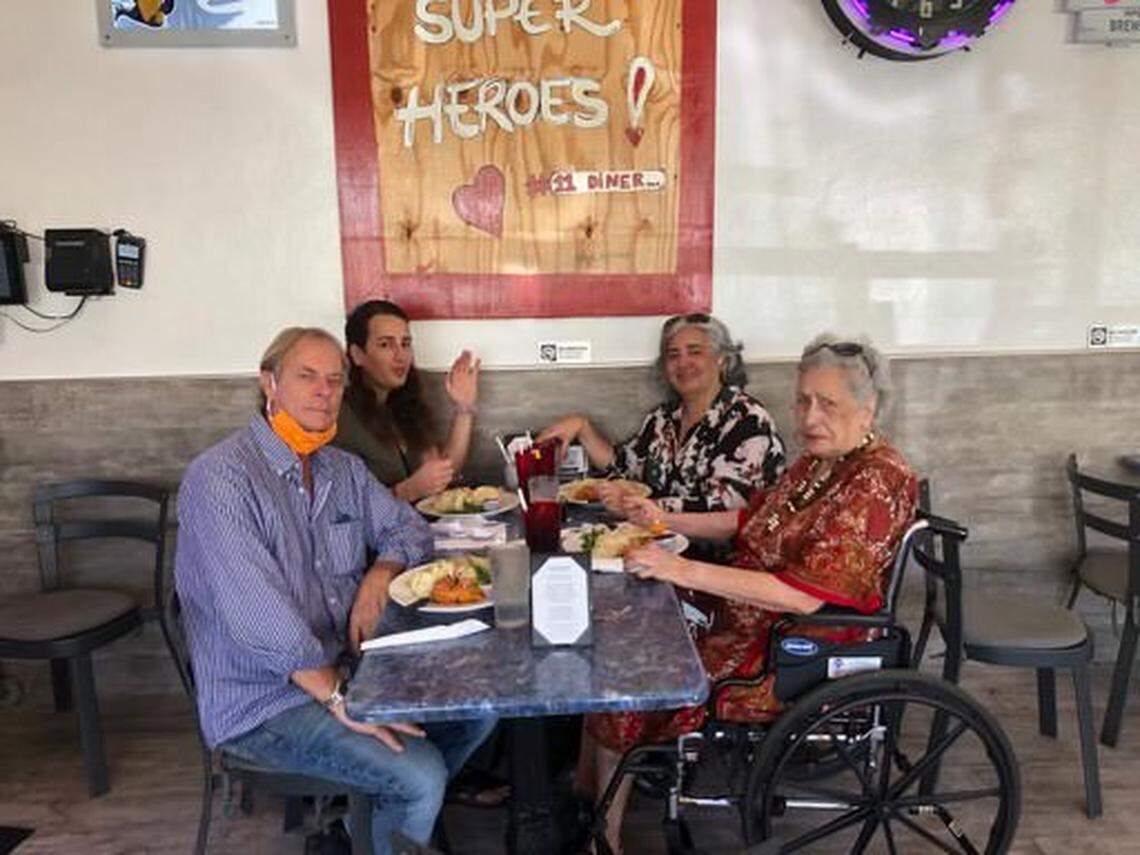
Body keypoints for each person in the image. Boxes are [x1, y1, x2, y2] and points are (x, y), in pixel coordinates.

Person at [582, 334, 918, 853]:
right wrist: (664, 519)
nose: (809, 417)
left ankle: (601, 837)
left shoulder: (878, 480)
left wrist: (680, 569)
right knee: (614, 633)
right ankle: (591, 801)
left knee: (630, 675)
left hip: (794, 643)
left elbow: (804, 596)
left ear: (867, 409)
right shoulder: (818, 463)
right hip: (747, 615)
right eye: (803, 400)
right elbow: (750, 521)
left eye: (827, 403)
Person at [174, 327, 495, 855]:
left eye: (335, 380)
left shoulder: (340, 469)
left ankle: (363, 827)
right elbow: (259, 619)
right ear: (269, 383)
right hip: (264, 700)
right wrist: (340, 698)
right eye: (307, 377)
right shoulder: (221, 479)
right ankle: (392, 807)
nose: (325, 391)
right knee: (420, 777)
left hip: (349, 666)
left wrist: (381, 573)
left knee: (481, 708)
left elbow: (409, 530)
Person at [537, 313, 785, 513]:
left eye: (695, 351)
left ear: (721, 359)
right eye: (673, 355)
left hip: (718, 564)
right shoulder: (663, 419)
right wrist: (582, 426)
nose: (683, 363)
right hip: (657, 545)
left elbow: (727, 509)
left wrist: (642, 507)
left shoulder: (747, 420)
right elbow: (623, 468)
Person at [335, 300, 480, 503]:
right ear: (357, 355)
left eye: (405, 344)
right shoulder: (339, 416)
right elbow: (341, 508)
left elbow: (442, 473)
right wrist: (406, 491)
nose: (400, 356)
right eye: (385, 344)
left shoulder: (403, 405)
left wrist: (464, 407)